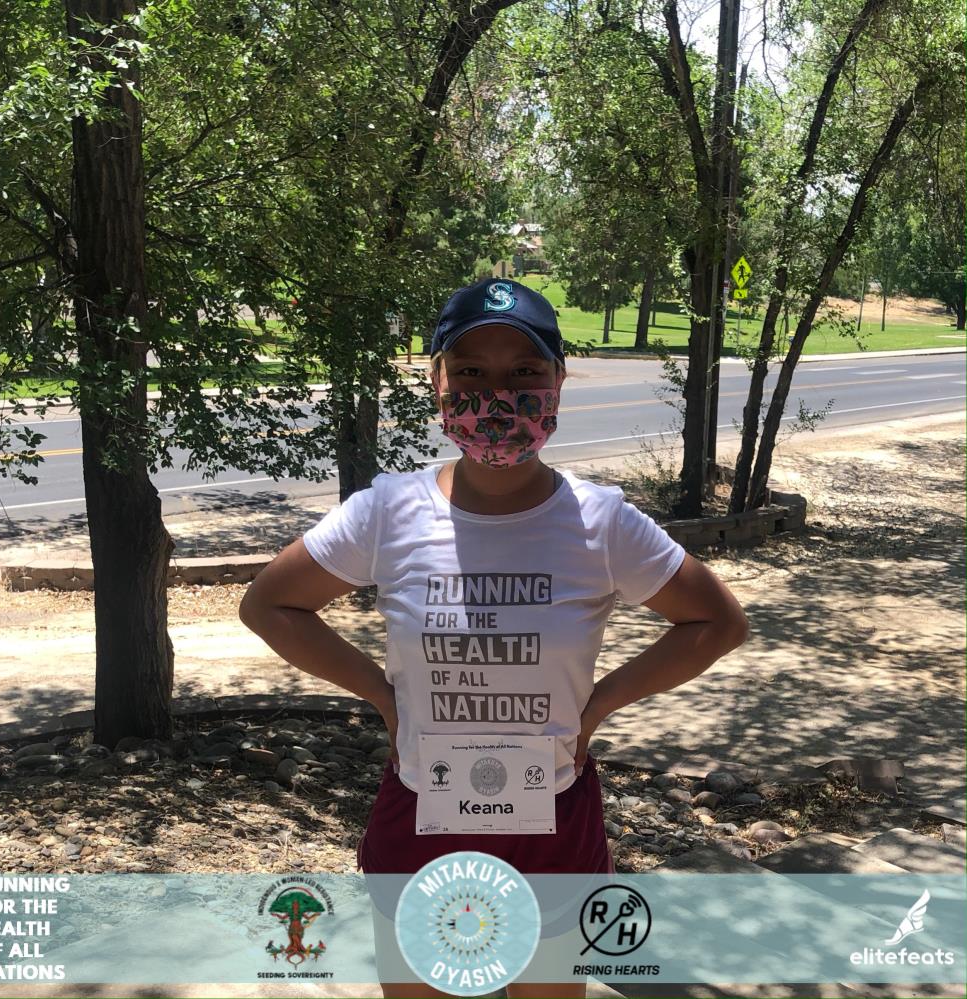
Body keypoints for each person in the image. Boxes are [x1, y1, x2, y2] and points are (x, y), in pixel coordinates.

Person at [238, 277, 750, 999]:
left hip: (551, 815)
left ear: (558, 383)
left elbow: (718, 622)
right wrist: (381, 697)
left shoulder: (600, 522)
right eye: (472, 371)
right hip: (424, 810)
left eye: (524, 372)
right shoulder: (388, 512)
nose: (498, 396)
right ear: (437, 380)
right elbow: (270, 605)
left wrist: (597, 707)